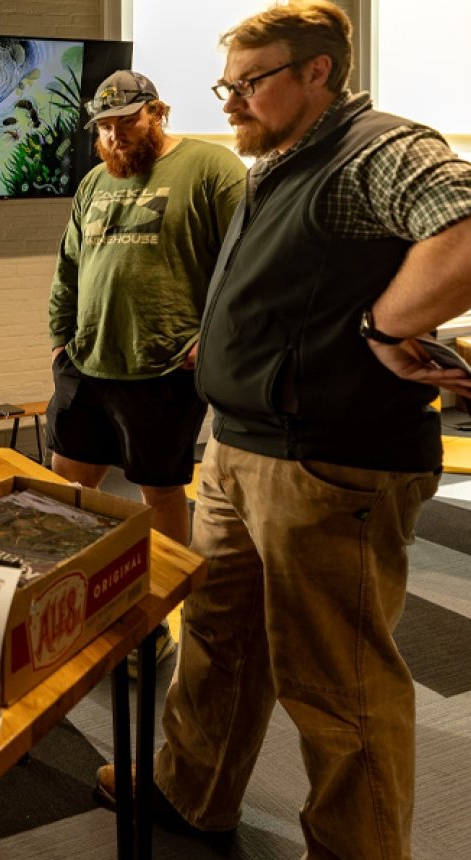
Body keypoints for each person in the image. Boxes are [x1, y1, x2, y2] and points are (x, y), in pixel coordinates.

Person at [95, 3, 471, 858]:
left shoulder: (377, 147)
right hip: (238, 446)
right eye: (227, 84)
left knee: (335, 681)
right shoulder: (282, 156)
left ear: (318, 73)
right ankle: (193, 793)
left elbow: (466, 231)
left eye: (251, 83)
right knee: (219, 642)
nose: (230, 102)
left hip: (325, 463)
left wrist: (381, 328)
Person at [47, 70, 246, 665]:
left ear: (157, 111)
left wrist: (208, 341)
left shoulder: (213, 170)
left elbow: (246, 261)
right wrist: (60, 338)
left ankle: (155, 620)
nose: (113, 138)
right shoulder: (93, 182)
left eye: (125, 123)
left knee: (159, 490)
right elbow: (68, 268)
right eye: (103, 128)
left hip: (165, 366)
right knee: (67, 489)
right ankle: (75, 604)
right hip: (88, 362)